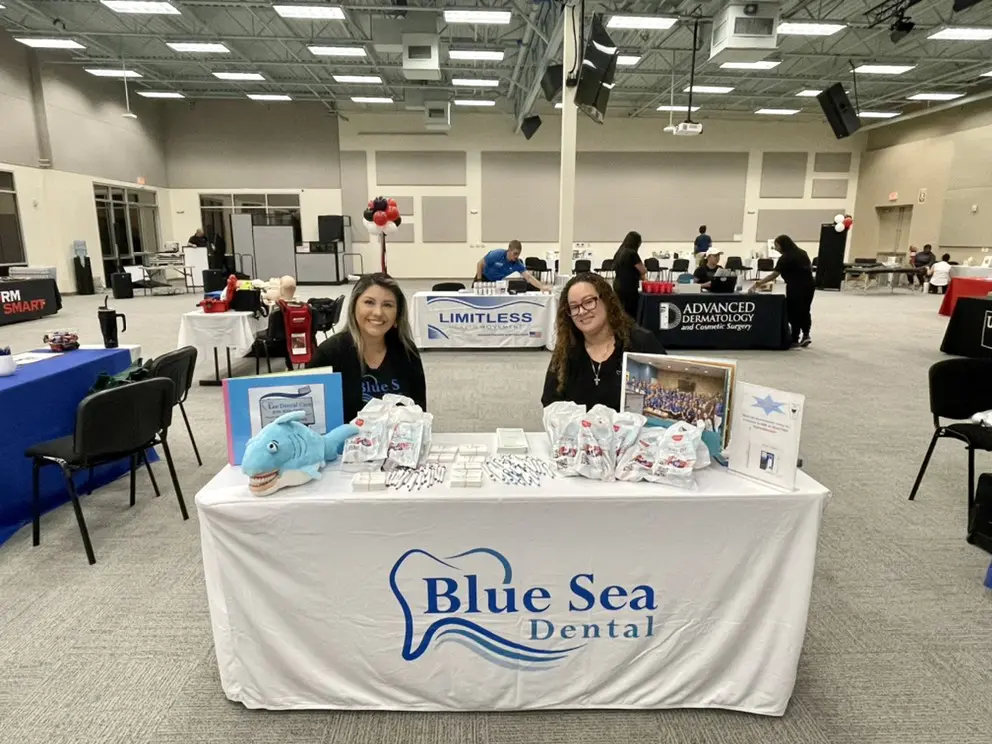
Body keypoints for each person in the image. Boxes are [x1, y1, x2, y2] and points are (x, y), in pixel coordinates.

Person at [308, 273, 426, 422]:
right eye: (369, 302)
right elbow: (312, 419)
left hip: (397, 443)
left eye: (388, 305)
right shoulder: (329, 354)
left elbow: (419, 412)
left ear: (397, 314)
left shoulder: (407, 351)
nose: (378, 313)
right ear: (354, 307)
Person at [542, 272, 665, 411]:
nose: (581, 311)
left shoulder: (640, 342)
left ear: (606, 300)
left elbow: (666, 393)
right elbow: (550, 402)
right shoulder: (567, 349)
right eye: (574, 307)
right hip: (579, 432)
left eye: (589, 302)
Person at [749, 234, 815, 348]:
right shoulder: (802, 252)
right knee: (805, 309)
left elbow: (774, 274)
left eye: (776, 246)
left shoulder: (785, 257)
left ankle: (795, 337)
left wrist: (759, 283)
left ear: (782, 245)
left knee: (793, 310)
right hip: (809, 285)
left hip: (795, 286)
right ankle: (806, 334)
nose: (776, 248)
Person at [475, 240, 547, 290]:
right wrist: (479, 280)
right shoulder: (496, 254)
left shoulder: (517, 263)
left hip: (495, 283)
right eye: (515, 253)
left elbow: (529, 277)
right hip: (482, 278)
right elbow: (480, 264)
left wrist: (542, 287)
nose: (516, 256)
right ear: (509, 250)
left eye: (518, 254)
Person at [611, 230, 647, 320]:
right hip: (629, 287)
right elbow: (642, 270)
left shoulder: (619, 252)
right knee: (631, 311)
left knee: (621, 309)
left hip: (617, 284)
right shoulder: (632, 253)